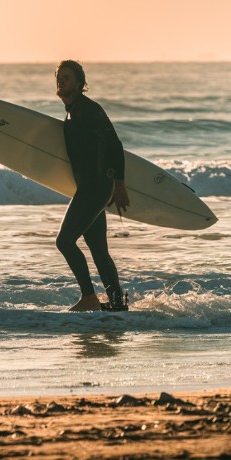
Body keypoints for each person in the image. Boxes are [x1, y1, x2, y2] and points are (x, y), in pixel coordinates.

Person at [54, 60, 130, 311]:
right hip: (90, 187)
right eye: (58, 76)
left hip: (95, 188)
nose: (61, 80)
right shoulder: (73, 111)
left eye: (66, 77)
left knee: (64, 241)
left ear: (79, 83)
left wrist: (118, 184)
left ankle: (88, 297)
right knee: (98, 249)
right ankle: (117, 304)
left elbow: (114, 145)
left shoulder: (88, 111)